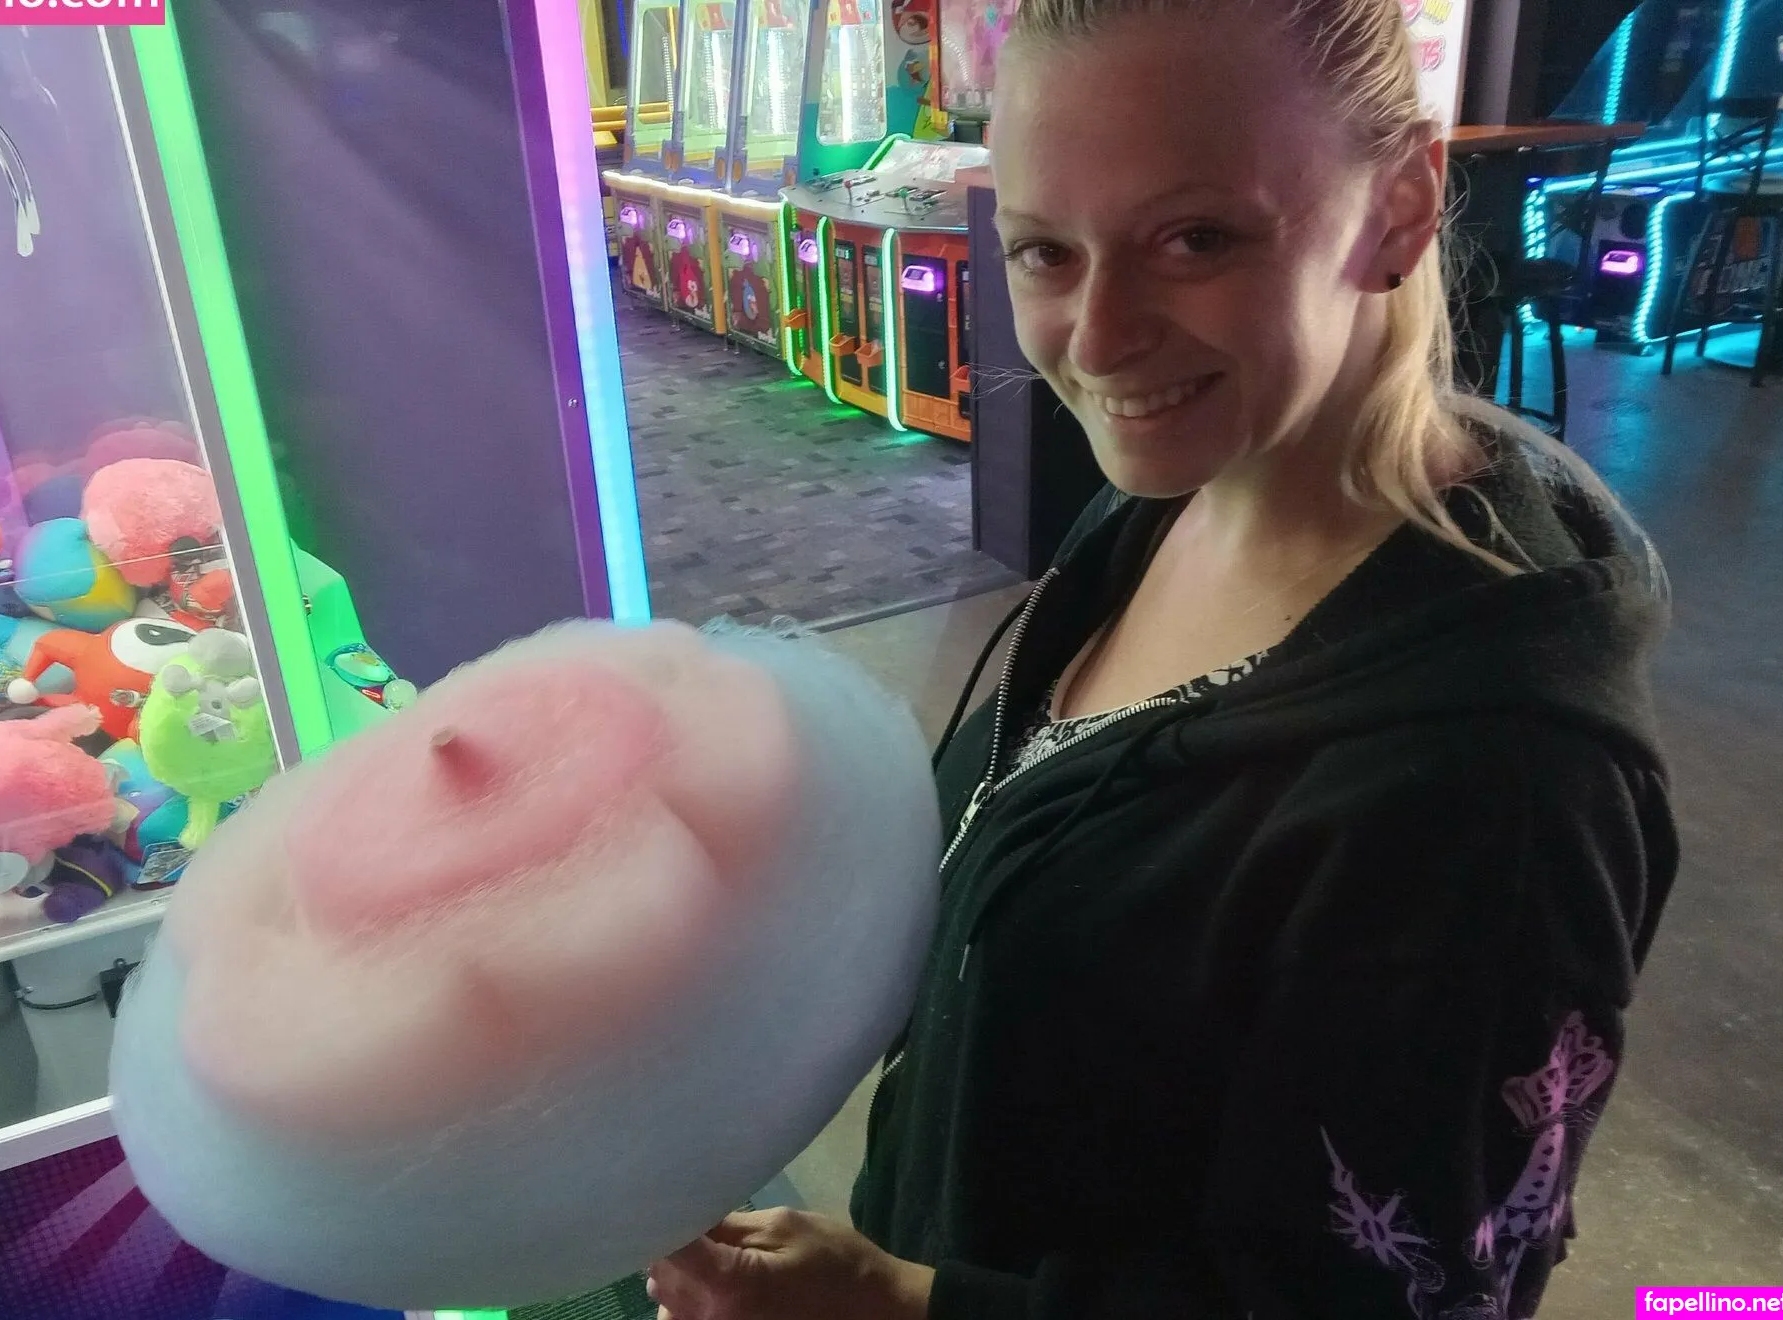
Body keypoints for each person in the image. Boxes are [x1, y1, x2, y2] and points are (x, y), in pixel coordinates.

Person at [645, 0, 1678, 1316]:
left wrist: (903, 1307)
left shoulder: (1500, 784)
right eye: (1044, 252)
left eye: (1196, 238)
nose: (1096, 338)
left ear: (1402, 207)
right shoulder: (1177, 495)